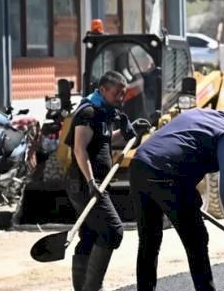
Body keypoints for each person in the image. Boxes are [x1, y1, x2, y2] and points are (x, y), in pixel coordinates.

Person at [130, 100, 224, 291]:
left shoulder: (202, 114)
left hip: (139, 165)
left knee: (149, 240)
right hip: (167, 174)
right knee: (197, 239)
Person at [66, 71, 134, 291]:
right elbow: (79, 148)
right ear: (103, 90)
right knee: (113, 230)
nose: (121, 98)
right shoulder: (88, 111)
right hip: (85, 184)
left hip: (92, 183)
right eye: (117, 93)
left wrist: (127, 132)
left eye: (123, 94)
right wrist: (91, 181)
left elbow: (103, 139)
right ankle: (92, 288)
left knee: (90, 235)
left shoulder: (104, 112)